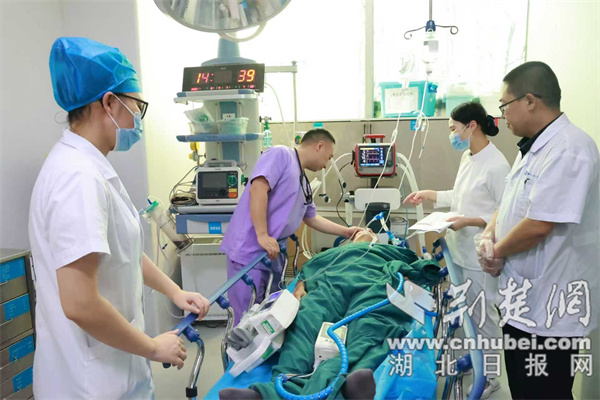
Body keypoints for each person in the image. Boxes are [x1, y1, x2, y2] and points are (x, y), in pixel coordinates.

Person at [28, 37, 210, 399]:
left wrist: (175, 291)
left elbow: (122, 251)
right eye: (137, 106)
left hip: (112, 373)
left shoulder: (91, 167)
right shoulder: (77, 178)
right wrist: (152, 347)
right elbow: (79, 303)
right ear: (109, 102)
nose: (138, 120)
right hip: (90, 384)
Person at [476, 61, 599, 400]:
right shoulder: (532, 147)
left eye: (504, 105)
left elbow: (540, 224)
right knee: (524, 389)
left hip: (551, 309)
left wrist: (495, 252)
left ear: (530, 100)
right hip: (523, 303)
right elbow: (510, 202)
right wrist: (488, 233)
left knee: (545, 392)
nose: (502, 116)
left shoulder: (571, 149)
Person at [403, 102, 511, 398]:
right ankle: (475, 361)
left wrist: (469, 221)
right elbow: (460, 195)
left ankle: (490, 377)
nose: (452, 134)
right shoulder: (469, 156)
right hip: (459, 251)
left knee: (484, 318)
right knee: (469, 316)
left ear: (471, 126)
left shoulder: (496, 165)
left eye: (453, 129)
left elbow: (505, 213)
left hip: (480, 257)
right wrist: (430, 194)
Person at [220, 129, 362, 325]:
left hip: (272, 253)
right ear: (319, 146)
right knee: (245, 322)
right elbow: (258, 189)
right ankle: (239, 347)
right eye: (328, 157)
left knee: (266, 320)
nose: (326, 164)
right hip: (250, 251)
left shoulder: (303, 180)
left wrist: (346, 232)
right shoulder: (280, 155)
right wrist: (262, 234)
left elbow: (311, 217)